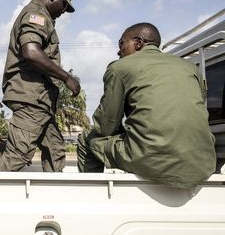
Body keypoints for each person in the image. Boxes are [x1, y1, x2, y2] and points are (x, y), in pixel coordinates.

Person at [77, 22, 216, 189]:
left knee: (87, 139)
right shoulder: (190, 67)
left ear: (138, 43)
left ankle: (93, 197)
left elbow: (106, 126)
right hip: (204, 162)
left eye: (121, 43)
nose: (118, 50)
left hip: (151, 160)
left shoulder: (119, 68)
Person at [0, 0, 80, 172]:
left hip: (40, 101)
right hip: (31, 98)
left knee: (55, 149)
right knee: (19, 154)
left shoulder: (42, 16)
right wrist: (66, 77)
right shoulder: (37, 14)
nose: (63, 11)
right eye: (64, 5)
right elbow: (31, 51)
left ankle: (52, 196)